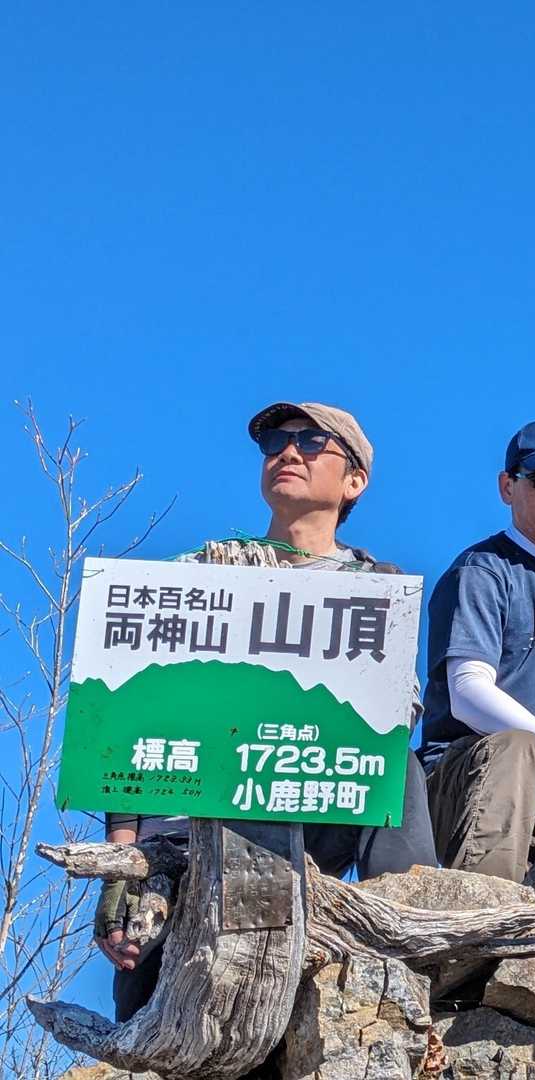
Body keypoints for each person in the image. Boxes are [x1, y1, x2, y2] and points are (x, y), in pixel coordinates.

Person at [95, 400, 437, 1021]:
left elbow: (392, 717)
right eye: (276, 441)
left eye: (312, 442)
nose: (288, 452)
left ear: (355, 480)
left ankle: (406, 937)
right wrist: (123, 858)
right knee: (147, 1008)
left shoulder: (376, 587)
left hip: (309, 806)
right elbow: (132, 716)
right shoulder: (199, 574)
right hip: (192, 827)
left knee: (399, 765)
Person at [418, 419, 535, 883]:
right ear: (508, 487)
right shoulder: (482, 571)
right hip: (463, 786)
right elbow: (467, 691)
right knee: (522, 747)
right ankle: (482, 909)